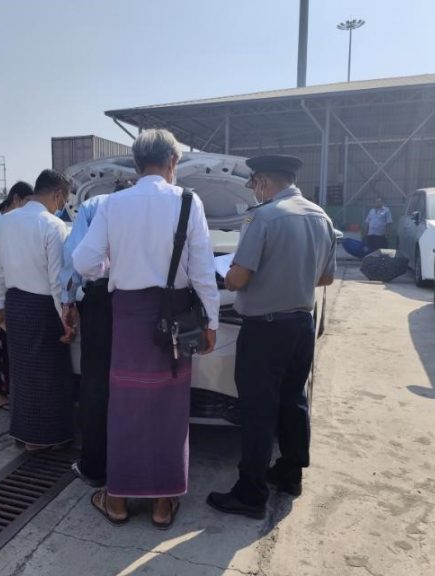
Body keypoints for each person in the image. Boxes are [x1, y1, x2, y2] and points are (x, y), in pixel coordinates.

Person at [73, 129, 219, 529]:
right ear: (173, 162)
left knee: (126, 407)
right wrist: (211, 321)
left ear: (136, 165)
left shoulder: (113, 203)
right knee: (170, 410)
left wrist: (110, 266)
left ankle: (118, 500)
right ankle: (162, 505)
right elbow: (203, 270)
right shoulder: (188, 201)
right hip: (175, 320)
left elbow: (84, 262)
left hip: (128, 317)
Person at [206, 154, 336, 519]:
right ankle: (290, 474)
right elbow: (326, 278)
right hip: (301, 325)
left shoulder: (264, 217)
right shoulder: (321, 216)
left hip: (265, 329)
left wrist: (227, 273)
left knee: (258, 410)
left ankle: (250, 494)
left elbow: (238, 279)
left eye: (253, 184)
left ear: (263, 181)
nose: (254, 190)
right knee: (293, 400)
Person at [0, 169, 75, 451]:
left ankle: (24, 434)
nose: (62, 207)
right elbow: (57, 279)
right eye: (64, 201)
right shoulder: (52, 225)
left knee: (22, 373)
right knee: (48, 374)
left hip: (15, 304)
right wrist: (65, 319)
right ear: (58, 194)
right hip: (43, 308)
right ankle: (45, 438)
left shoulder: (5, 221)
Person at [61, 180, 133, 488]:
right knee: (136, 382)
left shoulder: (94, 205)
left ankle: (95, 466)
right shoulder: (159, 204)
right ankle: (132, 464)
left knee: (96, 382)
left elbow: (74, 256)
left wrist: (68, 300)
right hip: (143, 299)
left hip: (102, 299)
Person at [0, 181, 34, 410]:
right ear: (16, 199)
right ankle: (0, 395)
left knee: (5, 345)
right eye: (27, 202)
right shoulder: (0, 225)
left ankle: (6, 391)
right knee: (1, 346)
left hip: (1, 295)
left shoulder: (5, 222)